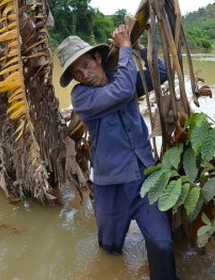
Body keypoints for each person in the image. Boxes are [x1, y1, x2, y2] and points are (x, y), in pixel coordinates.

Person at [56, 25, 178, 280]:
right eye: (77, 73)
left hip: (146, 179)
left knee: (164, 247)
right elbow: (121, 91)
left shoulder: (122, 78)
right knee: (110, 251)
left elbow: (164, 72)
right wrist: (124, 50)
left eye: (86, 65)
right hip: (111, 186)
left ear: (98, 58)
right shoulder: (82, 97)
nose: (84, 75)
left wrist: (138, 49)